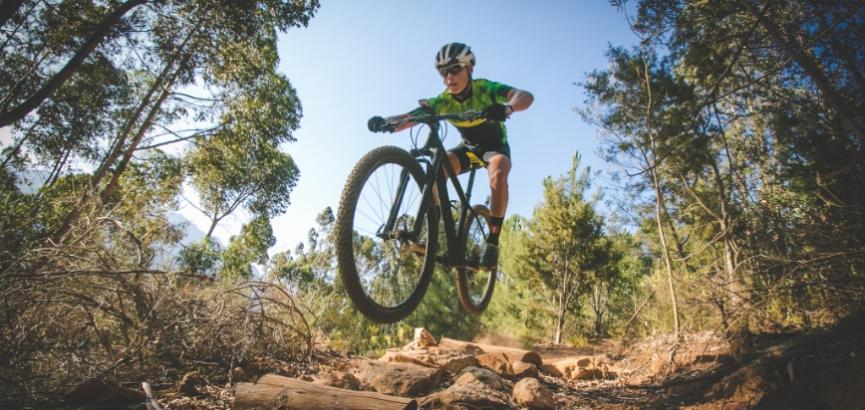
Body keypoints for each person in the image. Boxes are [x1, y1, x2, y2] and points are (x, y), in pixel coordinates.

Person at [367, 42, 533, 270]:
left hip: (495, 149)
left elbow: (524, 96)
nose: (449, 78)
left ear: (469, 69)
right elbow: (412, 116)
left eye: (454, 70)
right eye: (443, 73)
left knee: (497, 174)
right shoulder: (443, 100)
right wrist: (387, 122)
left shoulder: (485, 88)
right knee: (437, 171)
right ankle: (433, 230)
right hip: (468, 148)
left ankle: (493, 242)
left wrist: (507, 108)